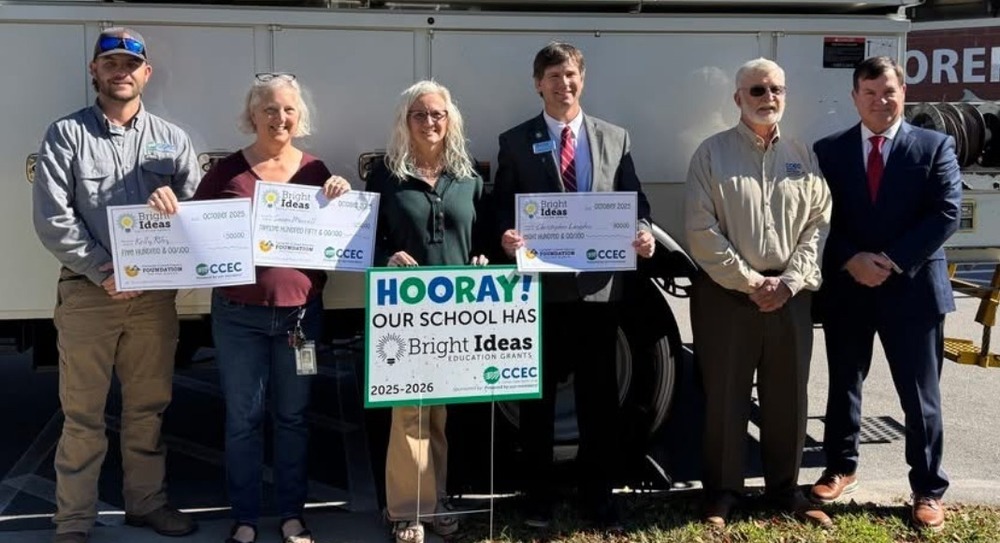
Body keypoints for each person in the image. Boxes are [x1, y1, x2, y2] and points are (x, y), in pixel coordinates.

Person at [31, 27, 200, 543]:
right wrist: (105, 270)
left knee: (148, 408)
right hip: (90, 294)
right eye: (111, 64)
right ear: (94, 71)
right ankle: (74, 521)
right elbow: (53, 219)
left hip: (152, 300)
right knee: (82, 415)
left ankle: (146, 503)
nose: (120, 72)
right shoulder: (66, 135)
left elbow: (202, 216)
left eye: (131, 64)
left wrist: (179, 210)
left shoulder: (173, 140)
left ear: (146, 73)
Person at [493, 41, 655, 531]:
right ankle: (538, 496)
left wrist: (643, 230)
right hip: (540, 291)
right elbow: (502, 204)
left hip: (598, 292)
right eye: (554, 76)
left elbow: (634, 198)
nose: (564, 84)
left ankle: (598, 496)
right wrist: (504, 235)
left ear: (581, 80)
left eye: (571, 75)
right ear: (538, 83)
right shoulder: (515, 141)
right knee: (537, 399)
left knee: (599, 400)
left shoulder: (615, 137)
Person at [188, 73, 350, 543]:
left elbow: (340, 239)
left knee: (294, 417)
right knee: (244, 418)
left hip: (300, 316)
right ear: (252, 116)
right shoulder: (228, 172)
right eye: (270, 110)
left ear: (300, 117)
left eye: (288, 110)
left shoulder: (318, 171)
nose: (280, 118)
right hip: (239, 315)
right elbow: (197, 231)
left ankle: (292, 515)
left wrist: (341, 199)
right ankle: (244, 518)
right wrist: (166, 210)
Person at [809, 56, 961, 531]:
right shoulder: (828, 151)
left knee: (920, 398)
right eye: (870, 93)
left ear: (903, 92)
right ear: (855, 97)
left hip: (912, 290)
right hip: (849, 286)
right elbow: (817, 216)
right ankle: (840, 468)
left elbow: (946, 214)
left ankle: (928, 489)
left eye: (889, 91)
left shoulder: (935, 146)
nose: (881, 101)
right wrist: (851, 258)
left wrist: (891, 261)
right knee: (843, 387)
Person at [684, 57, 832, 528]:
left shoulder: (802, 155)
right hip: (729, 296)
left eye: (776, 90)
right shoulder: (711, 154)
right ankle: (722, 495)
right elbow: (701, 230)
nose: (769, 98)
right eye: (757, 91)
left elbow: (818, 223)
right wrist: (751, 282)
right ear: (737, 99)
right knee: (725, 396)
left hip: (790, 294)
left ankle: (785, 490)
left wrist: (788, 282)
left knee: (788, 395)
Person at [365, 80, 488, 543]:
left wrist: (482, 258)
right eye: (420, 114)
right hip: (404, 312)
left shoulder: (469, 175)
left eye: (438, 114)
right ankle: (406, 510)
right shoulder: (386, 175)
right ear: (405, 121)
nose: (430, 122)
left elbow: (484, 236)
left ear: (450, 119)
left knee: (439, 414)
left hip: (455, 313)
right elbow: (366, 242)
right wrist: (388, 258)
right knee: (408, 411)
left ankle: (434, 502)